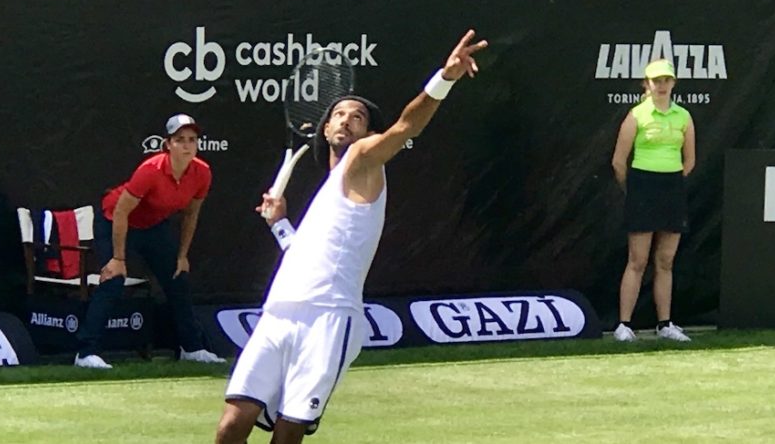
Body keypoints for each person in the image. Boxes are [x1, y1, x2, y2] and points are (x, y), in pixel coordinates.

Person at [214, 30, 488, 444]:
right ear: (324, 129)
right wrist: (280, 225)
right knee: (232, 425)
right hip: (279, 314)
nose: (346, 119)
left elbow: (405, 126)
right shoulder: (328, 194)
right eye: (339, 114)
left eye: (357, 117)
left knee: (287, 435)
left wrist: (444, 79)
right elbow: (306, 256)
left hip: (328, 319)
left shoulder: (362, 162)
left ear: (367, 135)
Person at [74, 113, 227, 368]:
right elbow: (122, 211)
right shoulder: (150, 170)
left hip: (153, 225)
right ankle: (86, 353)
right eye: (180, 140)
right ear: (168, 144)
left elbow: (191, 214)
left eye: (192, 139)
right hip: (115, 221)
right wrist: (118, 258)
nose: (187, 145)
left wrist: (182, 256)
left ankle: (192, 348)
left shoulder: (202, 173)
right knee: (113, 280)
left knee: (178, 279)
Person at [610, 59, 696, 343]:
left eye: (666, 80)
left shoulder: (683, 116)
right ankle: (624, 325)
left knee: (666, 260)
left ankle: (665, 324)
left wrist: (671, 182)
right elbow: (619, 162)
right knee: (637, 260)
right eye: (656, 80)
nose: (661, 85)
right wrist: (634, 189)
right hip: (642, 187)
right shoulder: (637, 115)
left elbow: (690, 159)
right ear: (646, 84)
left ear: (673, 83)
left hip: (672, 187)